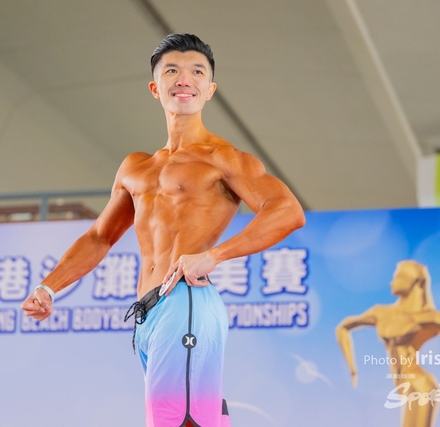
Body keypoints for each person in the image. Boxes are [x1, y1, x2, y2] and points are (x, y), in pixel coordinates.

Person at [21, 33, 305, 427]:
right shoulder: (136, 166)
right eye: (172, 70)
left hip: (185, 301)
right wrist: (48, 287)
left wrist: (214, 256)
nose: (184, 79)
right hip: (148, 313)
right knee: (193, 419)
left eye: (197, 72)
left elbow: (288, 211)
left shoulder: (223, 158)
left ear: (210, 90)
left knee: (177, 421)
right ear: (156, 88)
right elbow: (100, 237)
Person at [336, 260, 440, 427]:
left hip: (420, 385)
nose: (392, 282)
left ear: (415, 281)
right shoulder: (381, 313)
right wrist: (353, 369)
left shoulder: (427, 317)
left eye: (399, 277)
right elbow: (343, 327)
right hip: (404, 385)